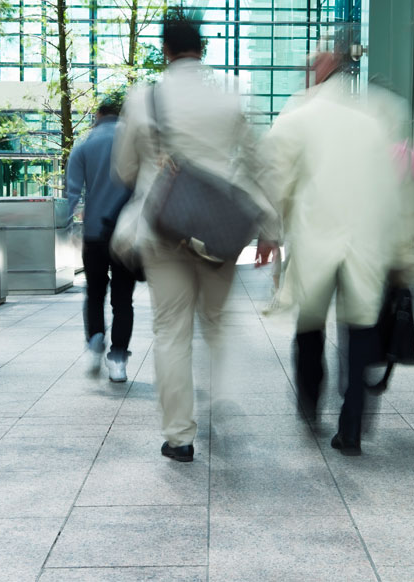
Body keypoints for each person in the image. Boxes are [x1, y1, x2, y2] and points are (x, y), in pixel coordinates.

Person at [113, 8, 274, 462]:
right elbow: (260, 164)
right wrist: (270, 228)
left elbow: (124, 168)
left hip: (164, 228)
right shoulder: (230, 96)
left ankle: (179, 436)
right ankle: (221, 404)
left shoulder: (144, 98)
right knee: (217, 325)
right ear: (202, 48)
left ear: (165, 49)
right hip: (221, 232)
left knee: (170, 330)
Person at [257, 50, 414, 456]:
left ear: (318, 72)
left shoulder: (298, 115)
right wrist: (397, 248)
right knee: (359, 329)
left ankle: (310, 404)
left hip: (315, 240)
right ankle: (352, 426)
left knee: (310, 327)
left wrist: (268, 233)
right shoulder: (370, 124)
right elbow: (388, 192)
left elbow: (274, 178)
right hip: (365, 244)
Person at [66, 94, 136, 382]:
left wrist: (68, 228)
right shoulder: (133, 143)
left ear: (97, 115)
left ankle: (95, 339)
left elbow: (72, 192)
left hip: (94, 232)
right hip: (127, 234)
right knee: (123, 299)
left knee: (94, 292)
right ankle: (118, 358)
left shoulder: (84, 143)